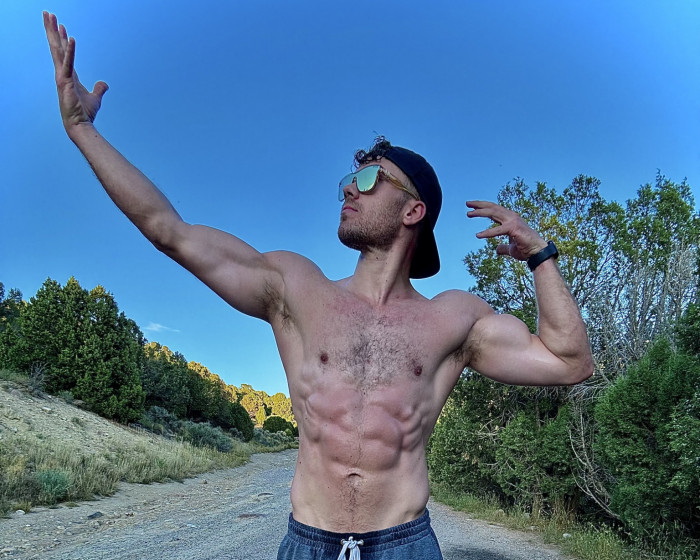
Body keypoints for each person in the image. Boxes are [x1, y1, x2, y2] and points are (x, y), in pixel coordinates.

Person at [43, 11, 593, 560]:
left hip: (404, 544)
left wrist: (540, 256)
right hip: (309, 542)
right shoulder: (295, 288)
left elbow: (570, 362)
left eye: (369, 178)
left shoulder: (454, 318)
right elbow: (170, 231)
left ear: (413, 211)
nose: (349, 189)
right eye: (349, 179)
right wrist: (81, 129)